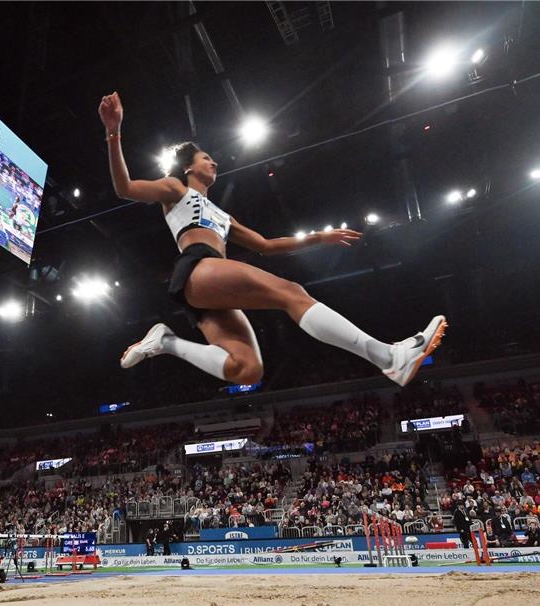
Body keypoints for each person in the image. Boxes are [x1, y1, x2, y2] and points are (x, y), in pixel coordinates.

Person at [99, 92, 446, 388]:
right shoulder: (174, 189)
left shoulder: (222, 216)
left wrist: (318, 237)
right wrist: (114, 133)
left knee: (247, 370)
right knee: (291, 293)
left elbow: (265, 245)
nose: (214, 161)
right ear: (188, 168)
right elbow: (124, 188)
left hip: (211, 286)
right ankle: (387, 356)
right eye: (206, 157)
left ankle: (168, 342)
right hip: (196, 267)